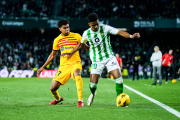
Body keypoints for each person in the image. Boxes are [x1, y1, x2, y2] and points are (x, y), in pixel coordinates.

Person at [62, 13, 140, 106]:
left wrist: (131, 36)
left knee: (119, 79)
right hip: (96, 60)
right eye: (93, 25)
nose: (96, 26)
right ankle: (93, 93)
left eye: (97, 24)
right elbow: (81, 44)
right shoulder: (86, 33)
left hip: (109, 57)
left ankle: (120, 99)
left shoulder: (105, 28)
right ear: (89, 24)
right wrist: (71, 52)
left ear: (98, 22)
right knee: (93, 85)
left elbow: (120, 32)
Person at [37, 19, 89, 107]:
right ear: (59, 29)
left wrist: (87, 46)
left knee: (77, 74)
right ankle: (58, 99)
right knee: (53, 88)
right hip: (63, 66)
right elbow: (52, 55)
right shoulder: (57, 40)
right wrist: (43, 67)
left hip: (75, 63)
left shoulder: (76, 36)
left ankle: (80, 101)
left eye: (68, 27)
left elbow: (86, 47)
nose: (67, 29)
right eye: (64, 28)